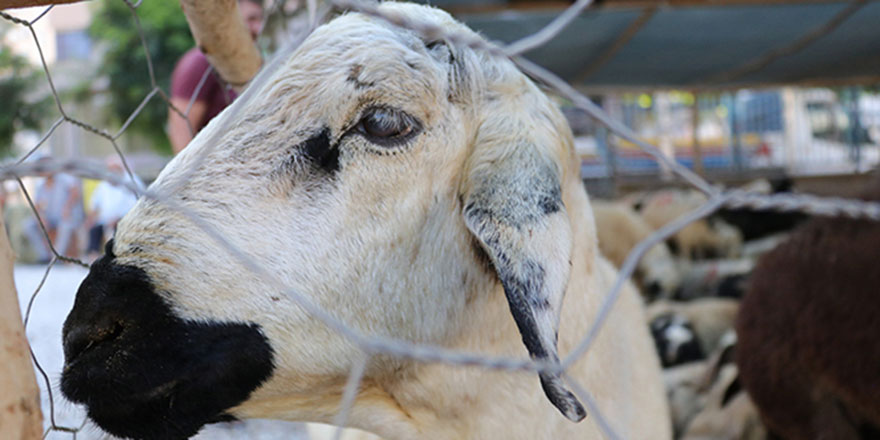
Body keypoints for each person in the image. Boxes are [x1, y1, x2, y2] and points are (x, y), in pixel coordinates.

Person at [167, 0, 263, 154]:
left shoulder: (254, 63)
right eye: (251, 19)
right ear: (232, 18)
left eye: (260, 20)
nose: (258, 28)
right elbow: (180, 132)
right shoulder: (199, 62)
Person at [85, 157, 142, 260]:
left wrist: (118, 218)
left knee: (118, 230)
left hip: (126, 220)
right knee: (94, 230)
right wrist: (90, 218)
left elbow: (136, 205)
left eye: (115, 168)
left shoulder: (131, 181)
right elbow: (94, 205)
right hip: (105, 221)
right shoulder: (103, 184)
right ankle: (93, 257)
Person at [24, 166, 85, 262]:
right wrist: (41, 218)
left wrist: (67, 207)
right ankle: (43, 256)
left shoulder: (64, 178)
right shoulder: (41, 186)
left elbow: (75, 192)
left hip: (65, 217)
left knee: (65, 225)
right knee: (28, 225)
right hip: (50, 218)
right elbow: (37, 206)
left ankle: (57, 257)